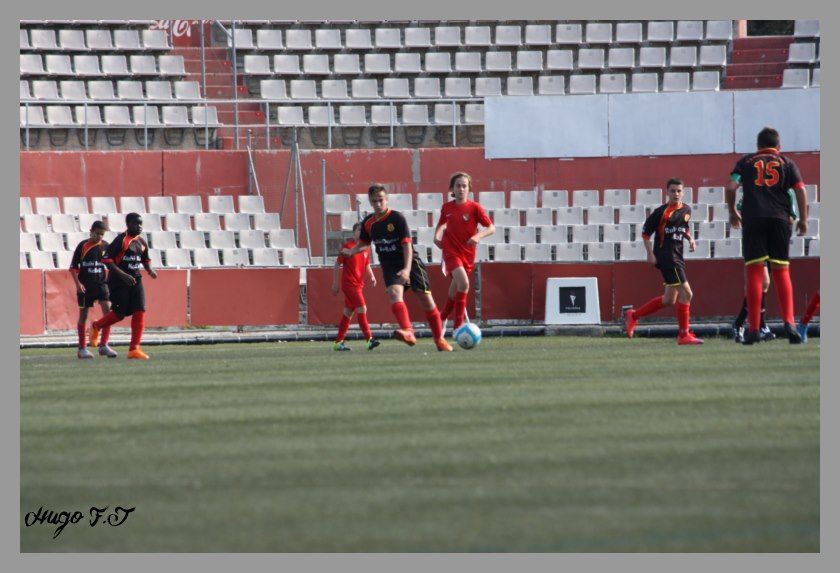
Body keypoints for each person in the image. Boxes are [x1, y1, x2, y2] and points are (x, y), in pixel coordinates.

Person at [342, 184, 453, 352]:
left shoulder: (397, 219)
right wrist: (352, 251)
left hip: (410, 262)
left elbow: (408, 246)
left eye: (381, 200)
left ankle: (439, 340)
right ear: (370, 203)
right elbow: (364, 244)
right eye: (374, 201)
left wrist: (407, 270)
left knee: (425, 299)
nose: (378, 204)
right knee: (394, 294)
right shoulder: (368, 223)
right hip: (389, 265)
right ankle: (408, 331)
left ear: (386, 200)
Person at [725, 127, 808, 344]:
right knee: (781, 270)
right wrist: (804, 219)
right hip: (780, 219)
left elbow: (731, 186)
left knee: (754, 272)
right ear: (778, 147)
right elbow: (800, 189)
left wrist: (733, 211)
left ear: (758, 146)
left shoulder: (746, 162)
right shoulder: (788, 163)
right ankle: (789, 324)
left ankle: (753, 329)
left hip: (753, 219)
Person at [624, 178, 703, 345]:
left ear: (683, 192)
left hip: (678, 256)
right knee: (687, 293)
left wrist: (690, 238)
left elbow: (683, 228)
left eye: (679, 191)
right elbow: (645, 234)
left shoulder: (687, 210)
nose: (676, 194)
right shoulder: (661, 212)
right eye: (673, 191)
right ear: (667, 192)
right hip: (667, 257)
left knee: (669, 300)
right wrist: (650, 254)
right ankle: (683, 335)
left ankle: (633, 315)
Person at [731, 190, 799, 342]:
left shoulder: (786, 192)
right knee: (762, 282)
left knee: (764, 286)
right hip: (758, 238)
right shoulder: (753, 189)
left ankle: (753, 324)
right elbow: (740, 207)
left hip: (774, 238)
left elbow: (791, 216)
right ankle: (744, 324)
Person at [88, 213, 158, 359]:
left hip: (135, 280)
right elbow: (107, 259)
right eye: (135, 224)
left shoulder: (142, 242)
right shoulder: (121, 240)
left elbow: (145, 259)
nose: (139, 226)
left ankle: (134, 349)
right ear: (128, 225)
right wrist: (123, 275)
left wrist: (150, 270)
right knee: (119, 315)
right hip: (119, 281)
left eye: (141, 224)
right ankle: (97, 326)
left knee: (140, 311)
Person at [434, 172, 495, 332]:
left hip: (467, 253)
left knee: (455, 289)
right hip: (450, 251)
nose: (461, 189)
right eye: (458, 186)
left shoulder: (475, 207)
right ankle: (458, 325)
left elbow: (491, 228)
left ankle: (443, 316)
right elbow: (441, 224)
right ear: (452, 189)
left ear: (469, 189)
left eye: (464, 186)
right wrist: (436, 237)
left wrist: (478, 236)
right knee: (465, 283)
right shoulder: (446, 207)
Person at [69, 220, 117, 359]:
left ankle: (104, 345)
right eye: (97, 234)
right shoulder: (83, 246)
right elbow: (73, 268)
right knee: (83, 316)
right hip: (85, 285)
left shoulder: (106, 246)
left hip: (102, 285)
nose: (100, 237)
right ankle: (82, 348)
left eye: (102, 234)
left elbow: (111, 265)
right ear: (91, 231)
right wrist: (78, 285)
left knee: (108, 314)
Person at [331, 222, 380, 351]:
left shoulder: (365, 248)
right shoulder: (348, 247)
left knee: (348, 312)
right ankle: (369, 339)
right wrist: (335, 283)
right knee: (362, 308)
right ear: (354, 233)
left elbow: (366, 264)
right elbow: (337, 264)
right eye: (358, 230)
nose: (360, 232)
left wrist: (372, 276)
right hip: (349, 284)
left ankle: (338, 343)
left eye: (362, 230)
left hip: (359, 285)